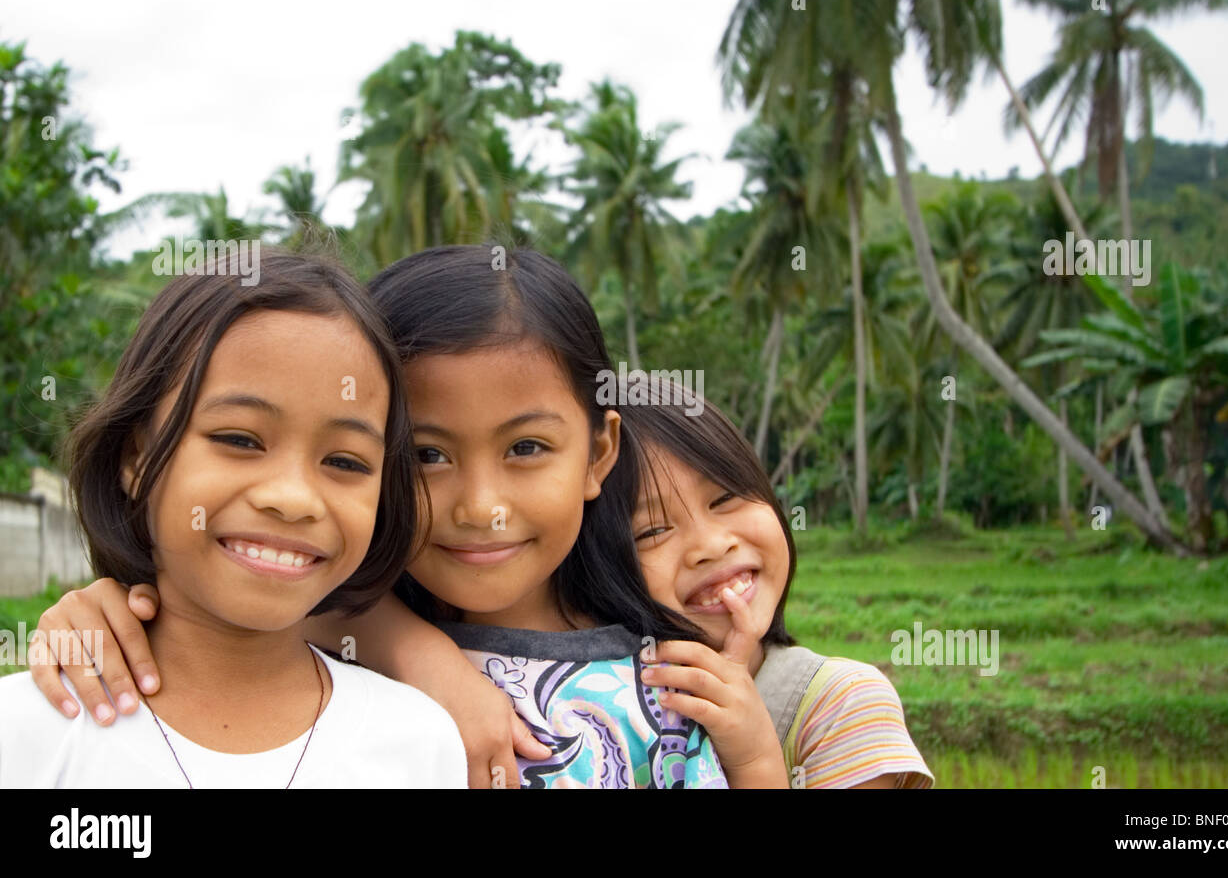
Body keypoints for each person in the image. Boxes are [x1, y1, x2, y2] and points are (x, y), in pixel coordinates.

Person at [29, 245, 729, 789]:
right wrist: (110, 606)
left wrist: (756, 750)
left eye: (526, 447)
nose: (480, 507)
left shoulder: (668, 689)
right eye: (426, 454)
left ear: (597, 451)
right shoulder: (305, 644)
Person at [0, 251, 466, 788]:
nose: (293, 499)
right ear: (136, 457)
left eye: (344, 461)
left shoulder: (419, 742)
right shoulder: (30, 733)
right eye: (239, 439)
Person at [619, 383, 934, 788]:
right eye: (653, 530)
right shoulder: (580, 716)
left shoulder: (839, 706)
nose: (712, 546)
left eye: (726, 497)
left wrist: (753, 759)